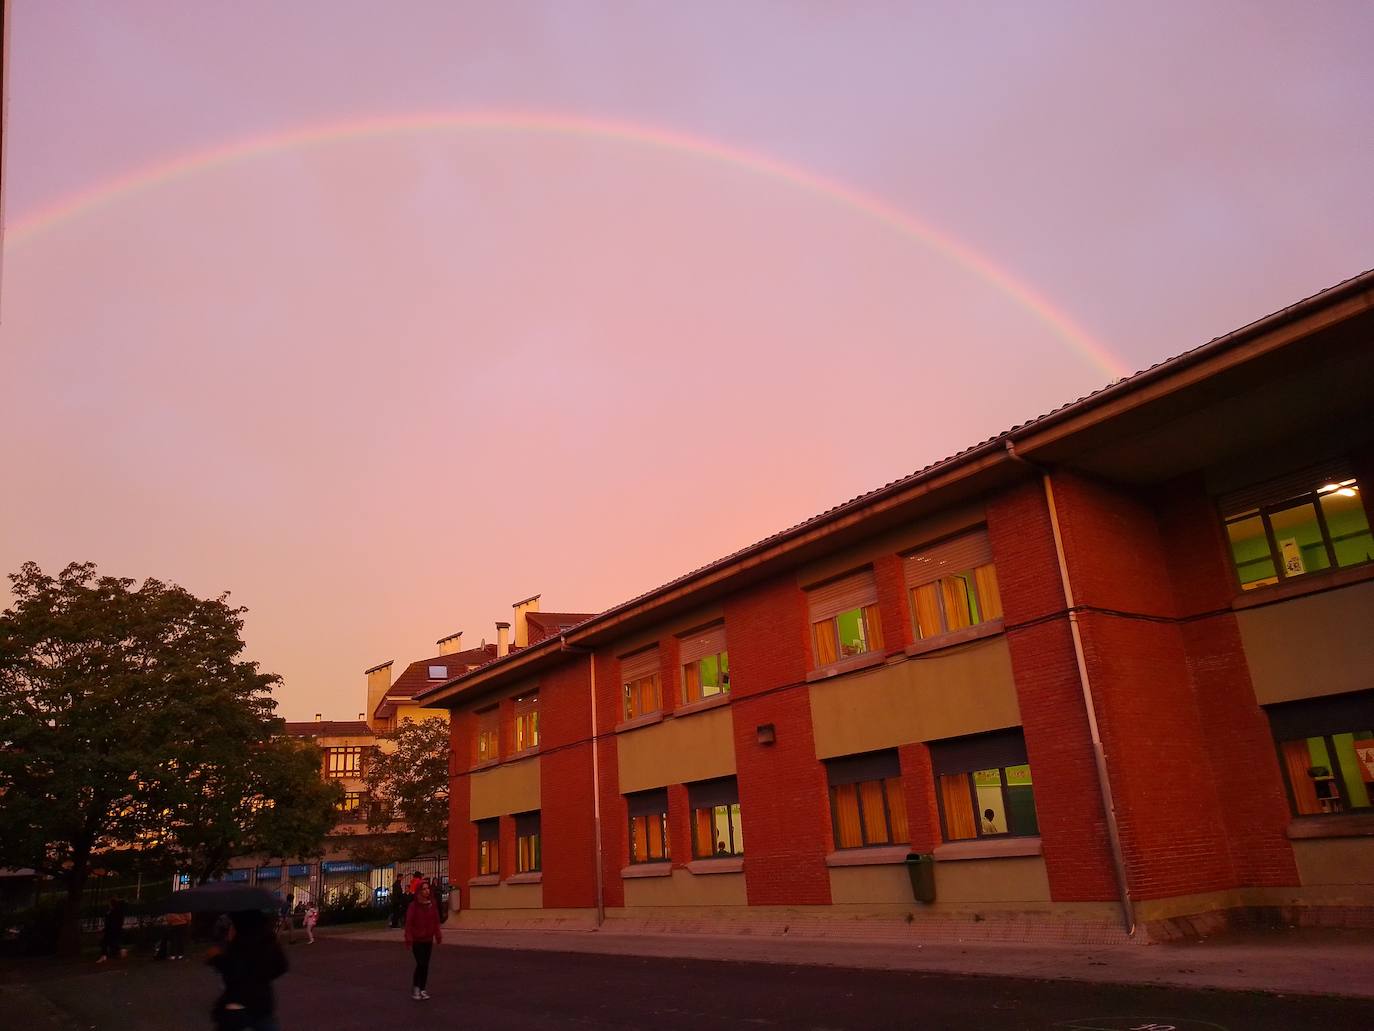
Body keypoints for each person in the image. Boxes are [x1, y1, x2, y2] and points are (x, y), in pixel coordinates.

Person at [207, 909, 289, 1031]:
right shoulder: (267, 937)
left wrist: (216, 958)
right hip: (262, 1001)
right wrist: (262, 976)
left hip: (238, 1002)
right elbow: (281, 966)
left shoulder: (239, 942)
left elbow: (233, 971)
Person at [403, 881, 442, 1001]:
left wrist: (438, 934)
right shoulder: (413, 906)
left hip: (428, 939)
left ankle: (423, 988)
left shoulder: (432, 904)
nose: (427, 891)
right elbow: (409, 923)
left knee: (425, 965)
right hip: (417, 939)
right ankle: (416, 987)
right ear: (419, 891)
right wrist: (408, 938)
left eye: (428, 889)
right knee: (421, 964)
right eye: (424, 889)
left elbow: (436, 921)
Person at [97, 898, 125, 963]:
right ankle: (119, 951)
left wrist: (104, 929)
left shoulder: (113, 912)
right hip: (114, 930)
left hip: (111, 930)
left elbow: (109, 922)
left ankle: (104, 956)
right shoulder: (117, 912)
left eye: (109, 904)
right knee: (109, 943)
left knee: (105, 943)